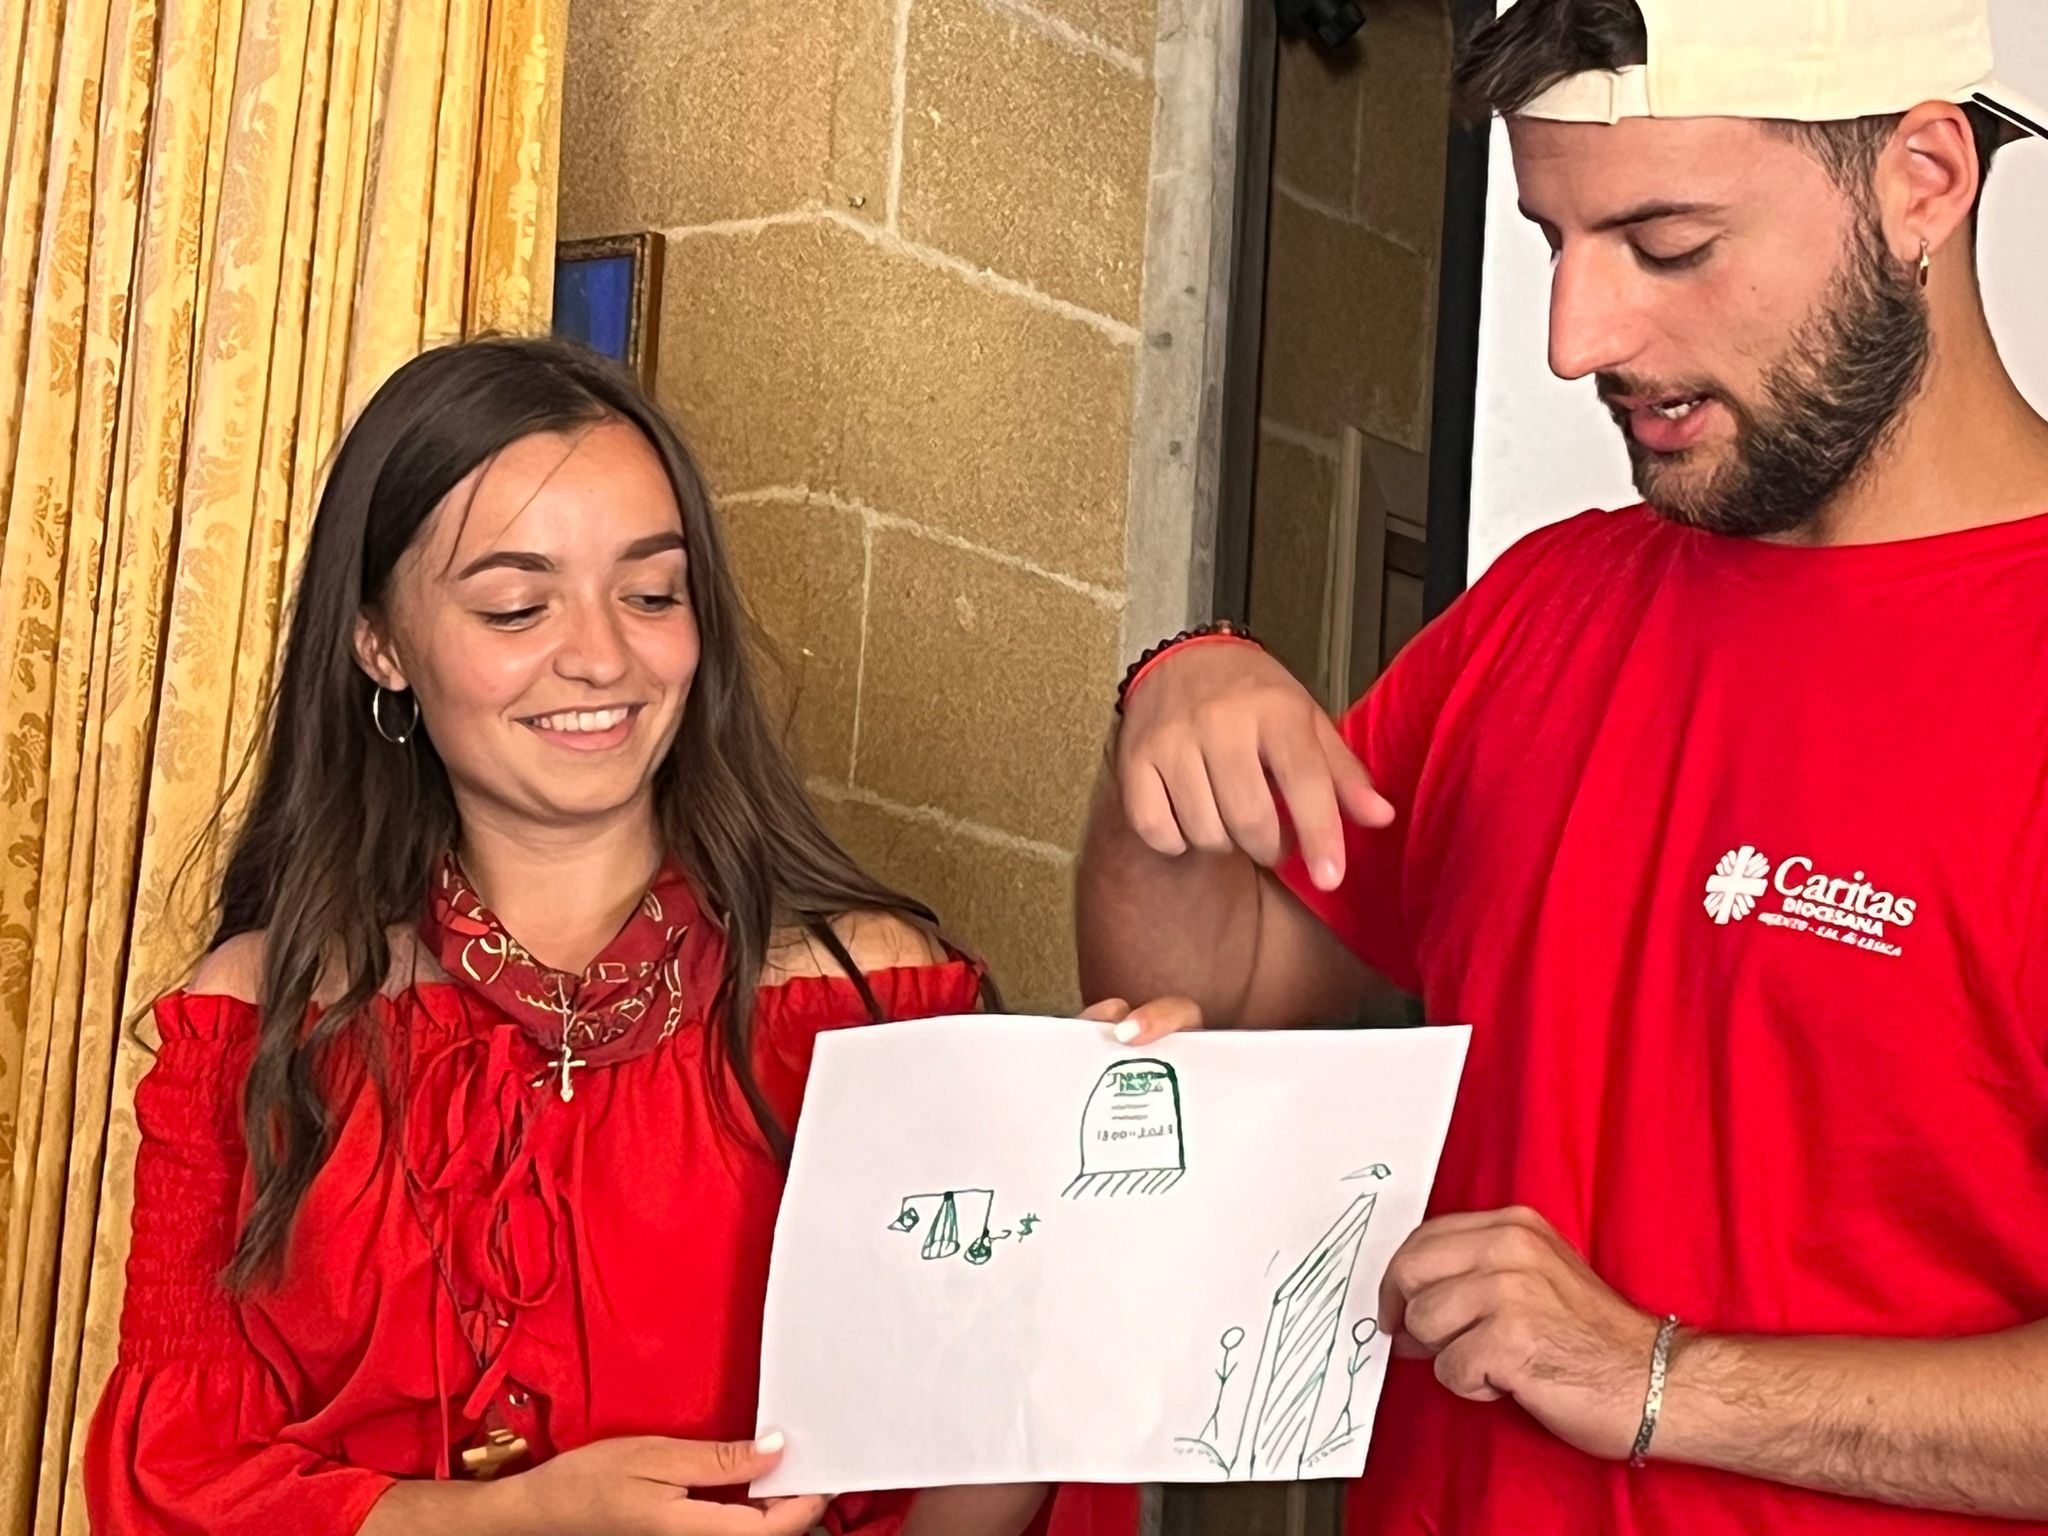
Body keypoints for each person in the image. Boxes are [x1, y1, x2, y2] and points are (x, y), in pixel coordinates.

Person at [1073, 1, 2048, 1532]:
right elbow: (1218, 1016)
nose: (1575, 339)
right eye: (1553, 240)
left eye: (1666, 245)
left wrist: (1661, 1381)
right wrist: (1164, 754)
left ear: (1923, 179)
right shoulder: (1541, 608)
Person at [85, 337, 1049, 1536]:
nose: (601, 657)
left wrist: (1086, 1212)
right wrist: (520, 1518)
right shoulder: (255, 1014)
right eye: (516, 606)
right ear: (380, 642)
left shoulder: (873, 999)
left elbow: (978, 1454)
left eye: (651, 594)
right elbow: (171, 1484)